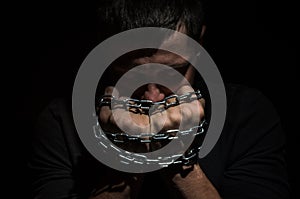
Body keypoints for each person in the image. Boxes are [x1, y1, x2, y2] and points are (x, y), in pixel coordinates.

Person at [28, 0, 290, 198]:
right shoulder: (61, 122)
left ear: (199, 46)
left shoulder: (247, 114)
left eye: (173, 72)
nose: (152, 97)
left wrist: (174, 152)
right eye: (129, 75)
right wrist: (128, 154)